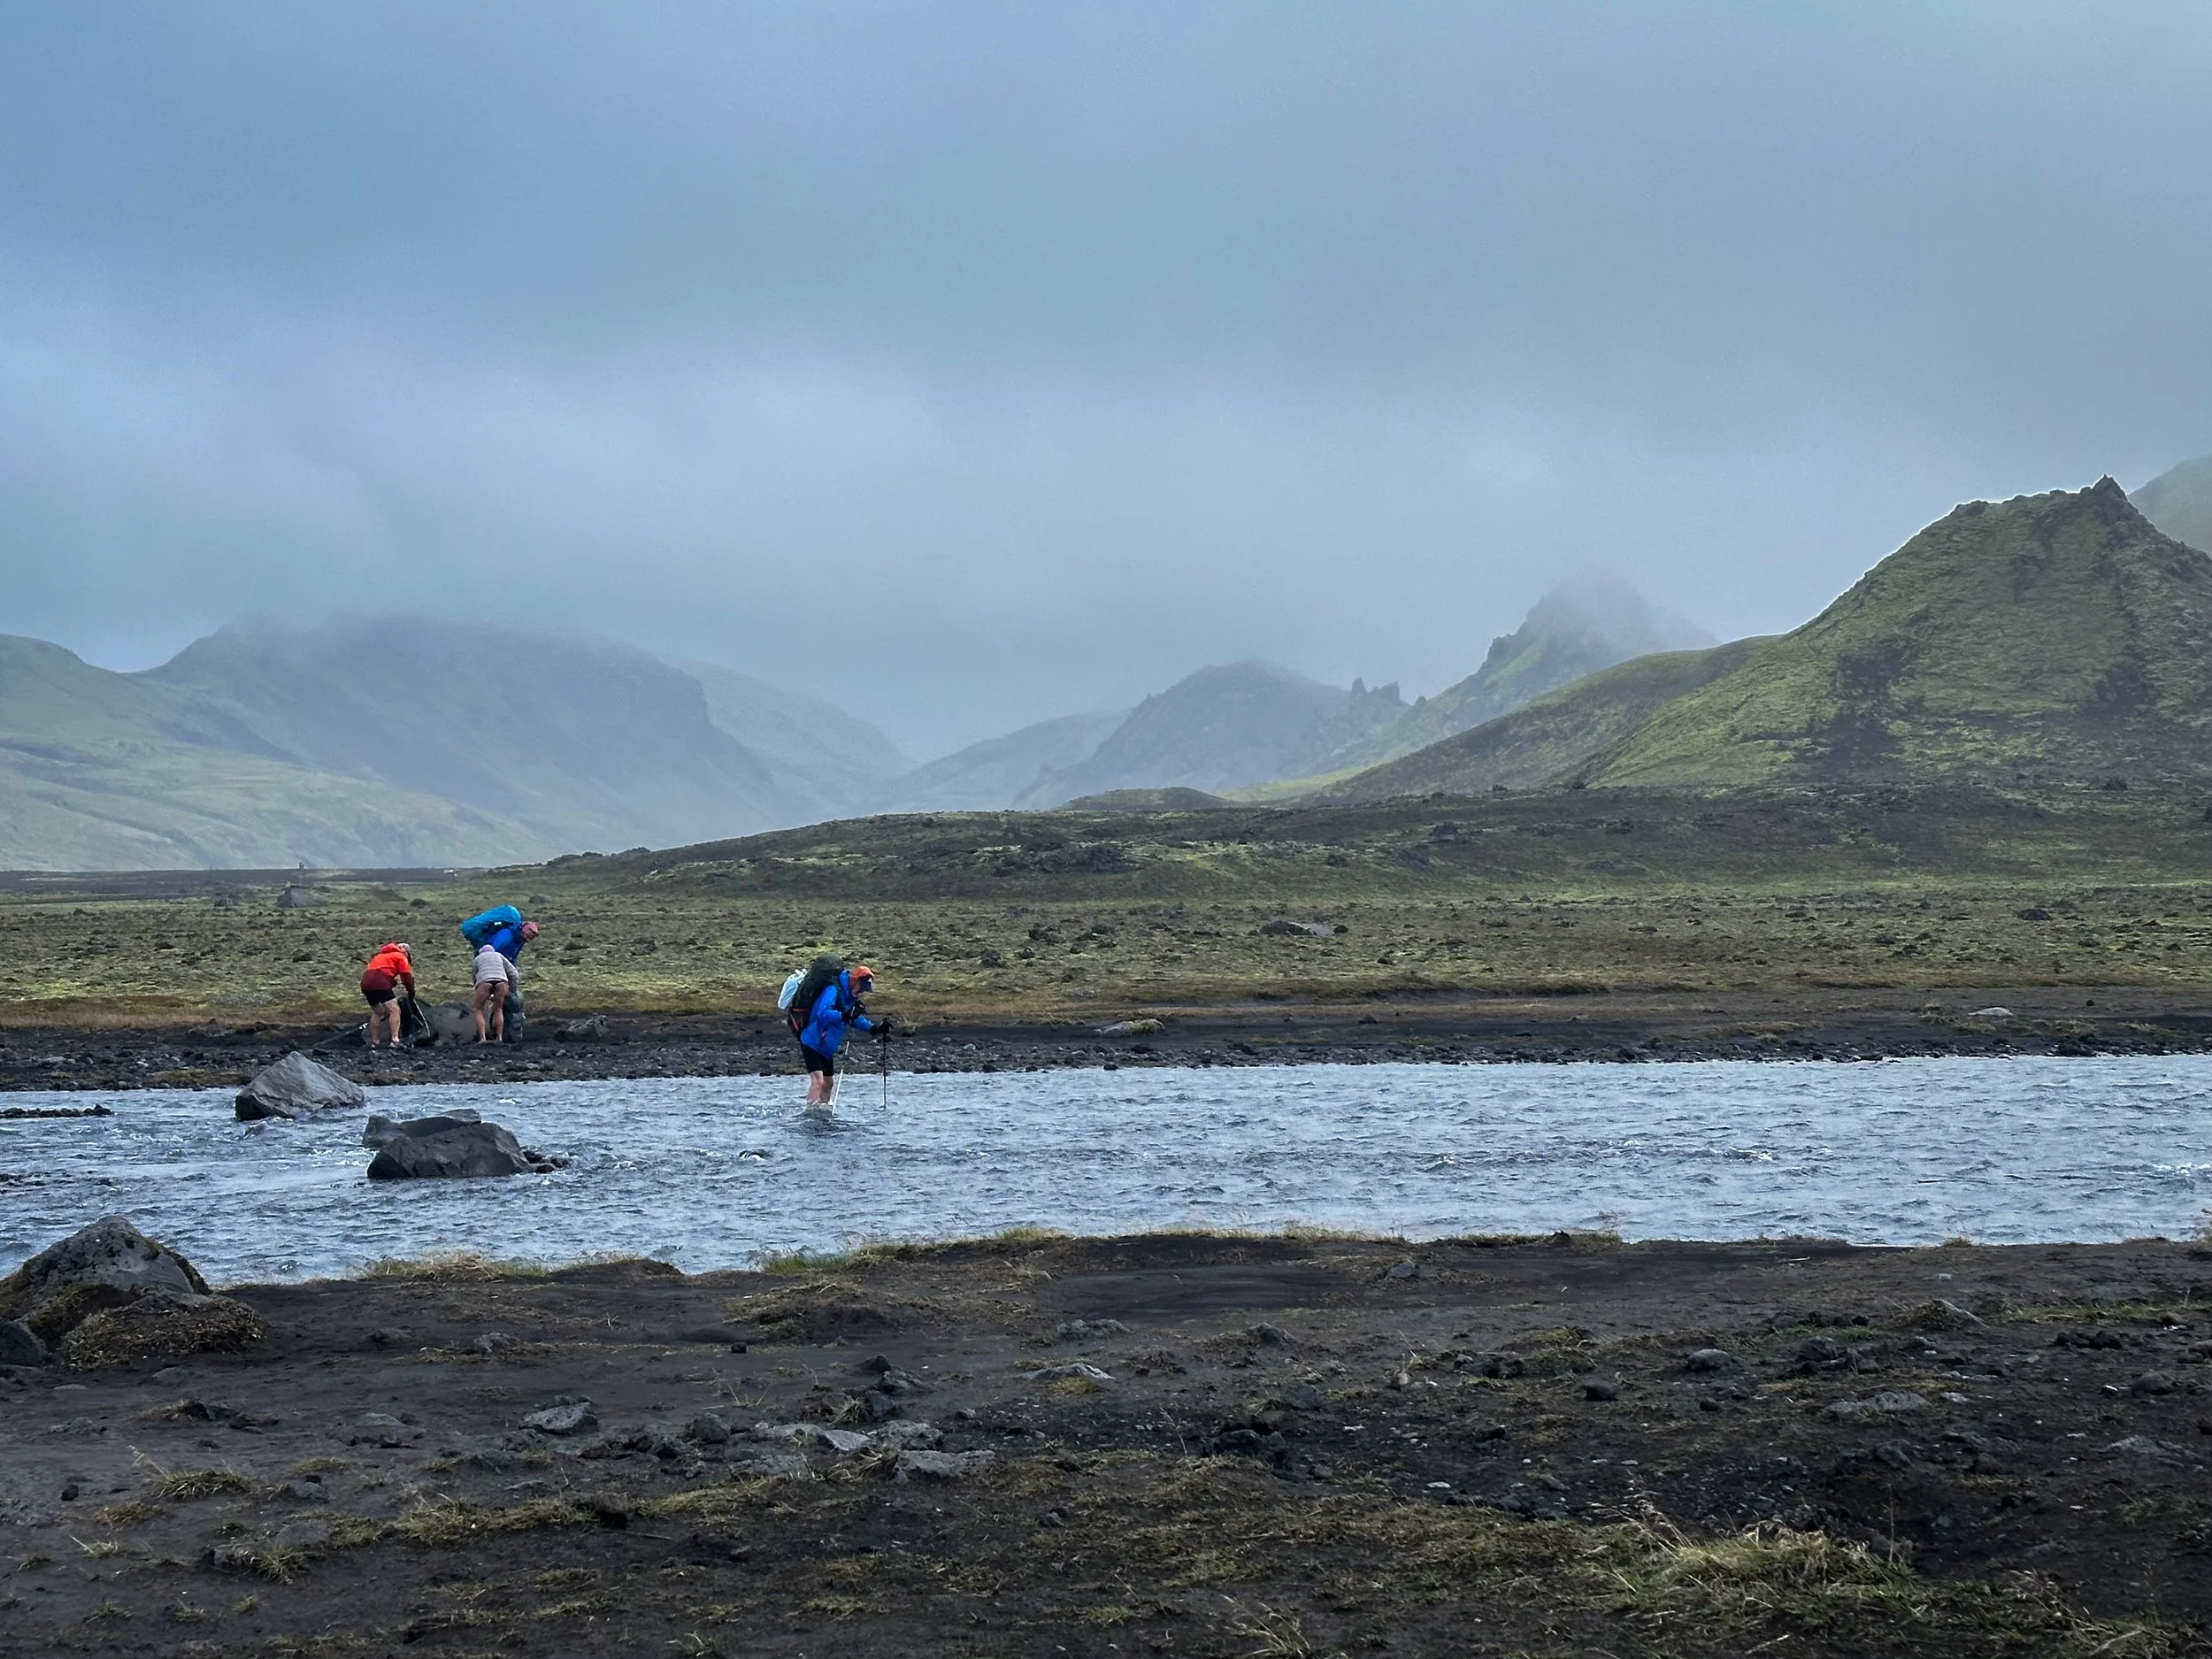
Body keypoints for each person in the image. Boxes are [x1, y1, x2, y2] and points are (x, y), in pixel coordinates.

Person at [795, 964, 890, 1106]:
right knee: (818, 1081)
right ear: (855, 982)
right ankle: (809, 1114)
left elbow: (853, 1018)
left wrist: (874, 1028)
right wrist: (844, 1015)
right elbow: (823, 1014)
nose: (862, 992)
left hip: (826, 1048)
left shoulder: (850, 998)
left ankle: (823, 1112)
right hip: (812, 1041)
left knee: (828, 1083)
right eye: (862, 987)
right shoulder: (833, 990)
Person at [359, 942, 417, 1049]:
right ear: (406, 953)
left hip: (366, 982)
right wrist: (411, 992)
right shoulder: (400, 956)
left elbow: (380, 970)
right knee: (394, 1010)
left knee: (378, 1012)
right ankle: (395, 1040)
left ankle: (375, 1042)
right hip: (380, 981)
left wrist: (390, 982)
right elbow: (407, 976)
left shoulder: (380, 956)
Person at [471, 941, 518, 1044]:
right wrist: (512, 990)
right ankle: (499, 1038)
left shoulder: (477, 959)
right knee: (498, 1008)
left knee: (477, 1008)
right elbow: (514, 974)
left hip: (484, 982)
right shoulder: (499, 956)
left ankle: (482, 1038)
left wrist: (479, 990)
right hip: (501, 982)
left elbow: (475, 976)